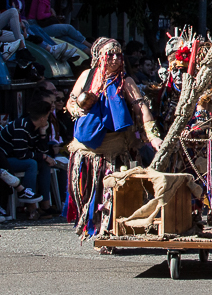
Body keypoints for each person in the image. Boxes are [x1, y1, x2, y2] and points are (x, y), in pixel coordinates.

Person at [65, 38, 162, 239]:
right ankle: (94, 226)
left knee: (111, 195)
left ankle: (108, 232)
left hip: (115, 150)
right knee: (90, 194)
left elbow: (141, 108)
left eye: (119, 55)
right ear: (99, 57)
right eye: (111, 55)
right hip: (86, 151)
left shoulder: (126, 82)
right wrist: (79, 108)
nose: (116, 59)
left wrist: (153, 138)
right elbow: (71, 101)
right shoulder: (86, 77)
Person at [0, 97, 57, 219]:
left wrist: (43, 133)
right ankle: (30, 205)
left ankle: (45, 205)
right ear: (42, 118)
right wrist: (44, 156)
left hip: (19, 158)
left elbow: (42, 151)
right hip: (4, 159)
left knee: (45, 163)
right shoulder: (21, 126)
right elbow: (21, 154)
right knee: (32, 163)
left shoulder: (37, 128)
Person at [26, 0, 91, 50]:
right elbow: (40, 16)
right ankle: (89, 45)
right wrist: (51, 14)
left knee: (65, 37)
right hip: (36, 27)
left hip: (37, 25)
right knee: (68, 28)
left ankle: (86, 50)